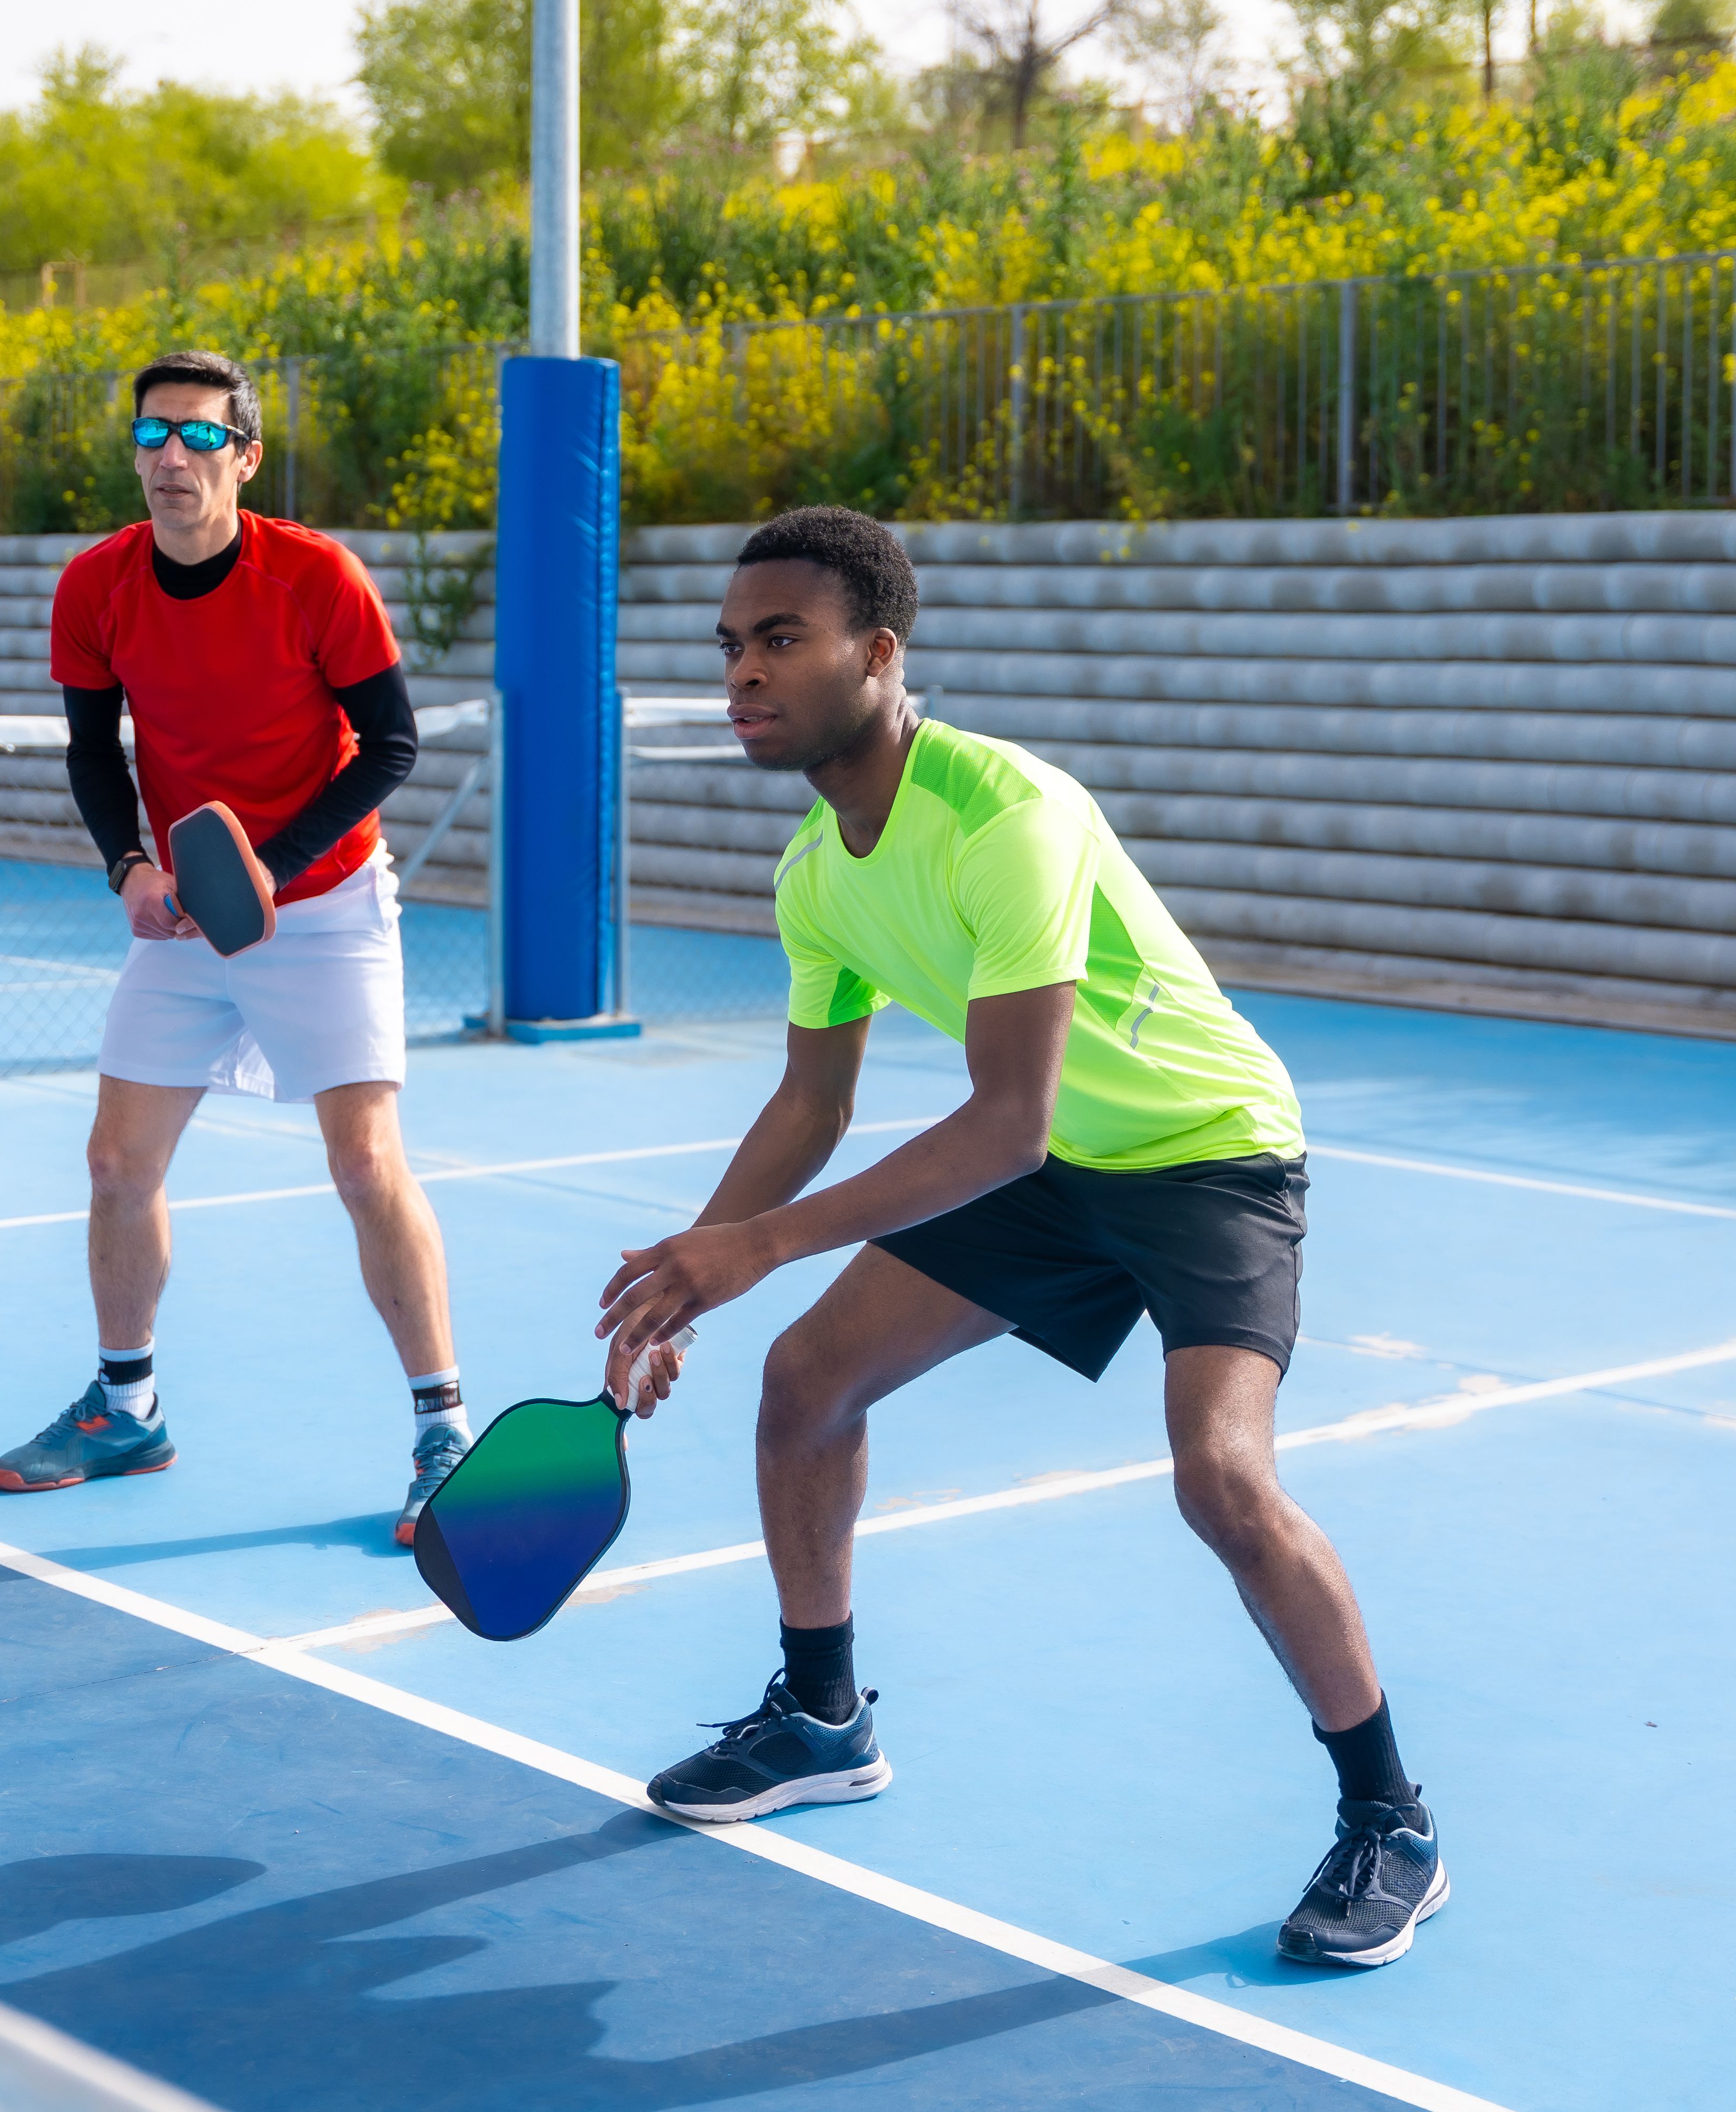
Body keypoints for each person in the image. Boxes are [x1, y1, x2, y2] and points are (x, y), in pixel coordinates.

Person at [594, 506, 1447, 1969]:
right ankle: (821, 1718)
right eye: (731, 646)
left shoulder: (1006, 816)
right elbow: (812, 1102)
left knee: (1224, 1483)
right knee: (807, 1383)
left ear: (880, 651)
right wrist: (692, 1269)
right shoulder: (820, 871)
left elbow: (1006, 1126)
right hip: (1063, 1158)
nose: (744, 671)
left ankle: (1393, 1823)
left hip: (1207, 1153)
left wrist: (765, 1246)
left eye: (779, 641)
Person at [0, 349, 472, 1546]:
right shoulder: (97, 585)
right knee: (115, 1161)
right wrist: (132, 866)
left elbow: (391, 744)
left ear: (245, 459)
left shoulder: (315, 575)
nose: (172, 457)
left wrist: (277, 859)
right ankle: (126, 1405)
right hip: (186, 915)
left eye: (202, 438)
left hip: (328, 904)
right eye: (154, 436)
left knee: (366, 1165)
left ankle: (443, 1431)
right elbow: (95, 751)